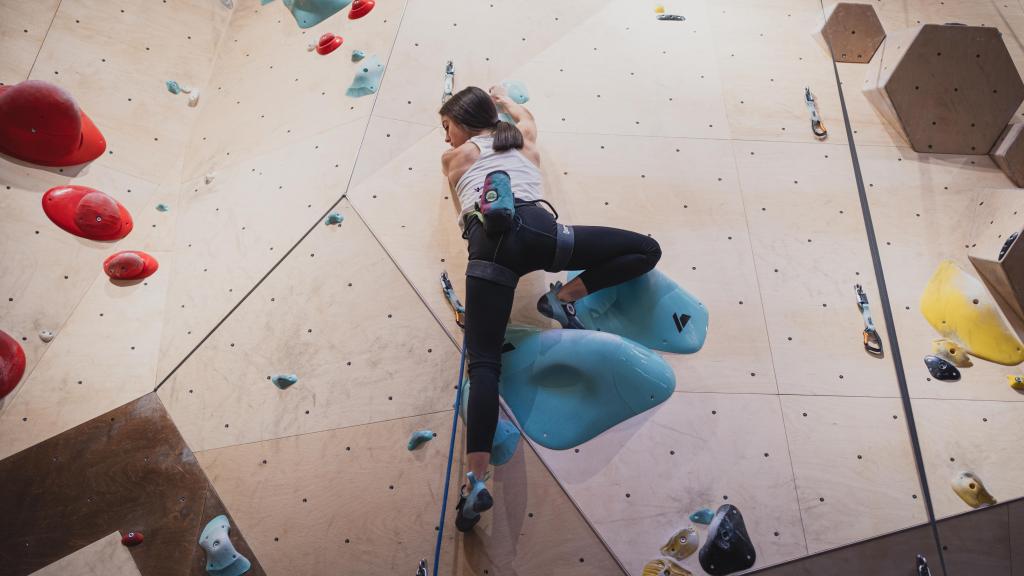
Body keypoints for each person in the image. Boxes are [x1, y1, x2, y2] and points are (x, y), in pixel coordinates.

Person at [438, 85, 662, 531]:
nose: (446, 138)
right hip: (540, 233)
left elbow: (460, 215)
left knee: (483, 365)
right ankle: (565, 297)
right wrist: (503, 98)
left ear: (461, 122)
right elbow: (524, 114)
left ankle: (475, 481)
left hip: (489, 251)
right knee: (646, 249)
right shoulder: (522, 138)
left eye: (447, 127)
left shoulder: (453, 160)